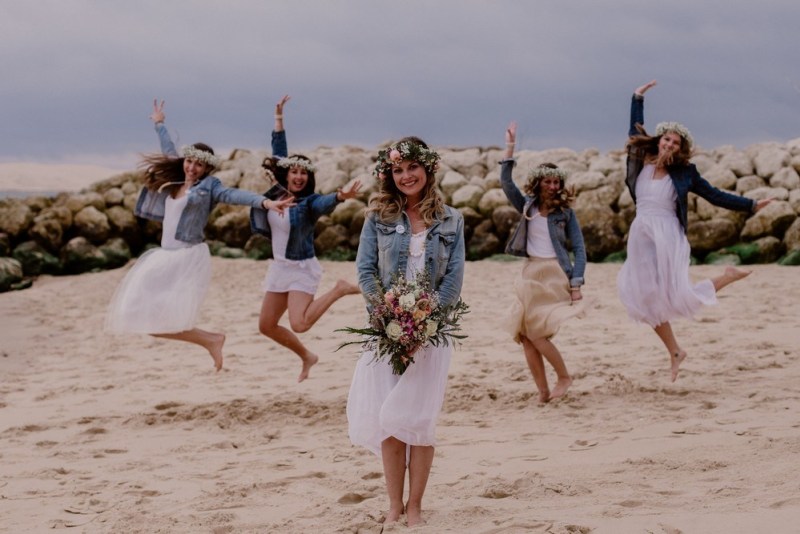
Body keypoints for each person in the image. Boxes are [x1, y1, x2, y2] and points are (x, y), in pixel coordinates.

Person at [105, 99, 281, 371]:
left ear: (207, 169)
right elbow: (167, 151)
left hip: (186, 256)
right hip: (164, 255)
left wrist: (264, 202)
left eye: (199, 165)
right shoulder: (175, 179)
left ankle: (211, 341)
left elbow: (233, 195)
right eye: (189, 161)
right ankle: (211, 340)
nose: (192, 168)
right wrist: (159, 123)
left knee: (162, 318)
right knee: (138, 316)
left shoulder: (210, 187)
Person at [618, 80, 773, 382]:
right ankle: (675, 351)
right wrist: (637, 98)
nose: (669, 145)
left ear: (681, 148)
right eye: (666, 140)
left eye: (676, 143)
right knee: (644, 294)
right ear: (659, 140)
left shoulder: (686, 172)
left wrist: (751, 205)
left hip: (666, 233)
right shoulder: (640, 161)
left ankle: (724, 279)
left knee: (676, 294)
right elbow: (634, 131)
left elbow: (715, 194)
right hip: (641, 233)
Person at [346, 137, 465, 527]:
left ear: (428, 170)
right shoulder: (377, 217)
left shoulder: (451, 220)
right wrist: (386, 318)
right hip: (385, 330)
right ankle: (394, 505)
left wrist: (426, 327)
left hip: (431, 334)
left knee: (418, 419)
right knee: (389, 418)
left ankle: (415, 506)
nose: (406, 176)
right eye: (398, 170)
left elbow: (451, 282)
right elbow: (365, 271)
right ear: (389, 174)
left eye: (412, 168)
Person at [250, 95, 362, 382]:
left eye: (303, 173)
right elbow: (278, 154)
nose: (298, 177)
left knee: (299, 323)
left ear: (308, 178)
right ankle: (307, 357)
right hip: (279, 267)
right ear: (287, 175)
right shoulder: (275, 194)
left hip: (301, 268)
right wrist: (278, 120)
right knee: (266, 325)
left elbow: (324, 203)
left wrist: (340, 196)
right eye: (294, 172)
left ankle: (338, 289)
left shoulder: (310, 203)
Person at [499, 122, 587, 404]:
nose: (552, 186)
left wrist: (576, 283)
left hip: (554, 274)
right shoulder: (526, 206)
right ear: (538, 183)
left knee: (537, 334)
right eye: (547, 181)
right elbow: (506, 183)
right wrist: (510, 148)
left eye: (556, 182)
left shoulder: (566, 213)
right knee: (525, 336)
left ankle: (564, 376)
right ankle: (543, 391)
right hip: (530, 272)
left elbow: (580, 249)